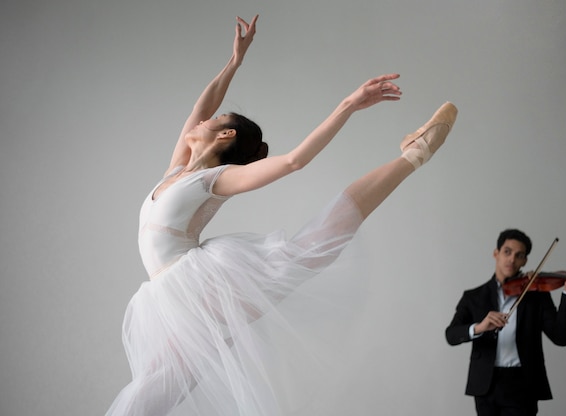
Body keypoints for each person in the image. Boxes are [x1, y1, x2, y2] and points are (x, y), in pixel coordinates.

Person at [106, 14, 458, 416]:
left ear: (225, 136)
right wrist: (234, 61)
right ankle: (414, 155)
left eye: (216, 121)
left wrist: (349, 104)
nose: (203, 119)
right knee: (157, 388)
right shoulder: (176, 171)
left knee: (310, 249)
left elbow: (293, 161)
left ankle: (414, 155)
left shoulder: (216, 179)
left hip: (199, 289)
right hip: (171, 295)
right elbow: (202, 106)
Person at [445, 229, 566, 416]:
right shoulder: (473, 297)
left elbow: (561, 337)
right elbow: (451, 335)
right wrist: (480, 327)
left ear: (525, 261)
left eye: (519, 255)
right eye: (507, 252)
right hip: (485, 385)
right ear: (496, 253)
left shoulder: (536, 295)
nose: (512, 259)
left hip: (522, 384)